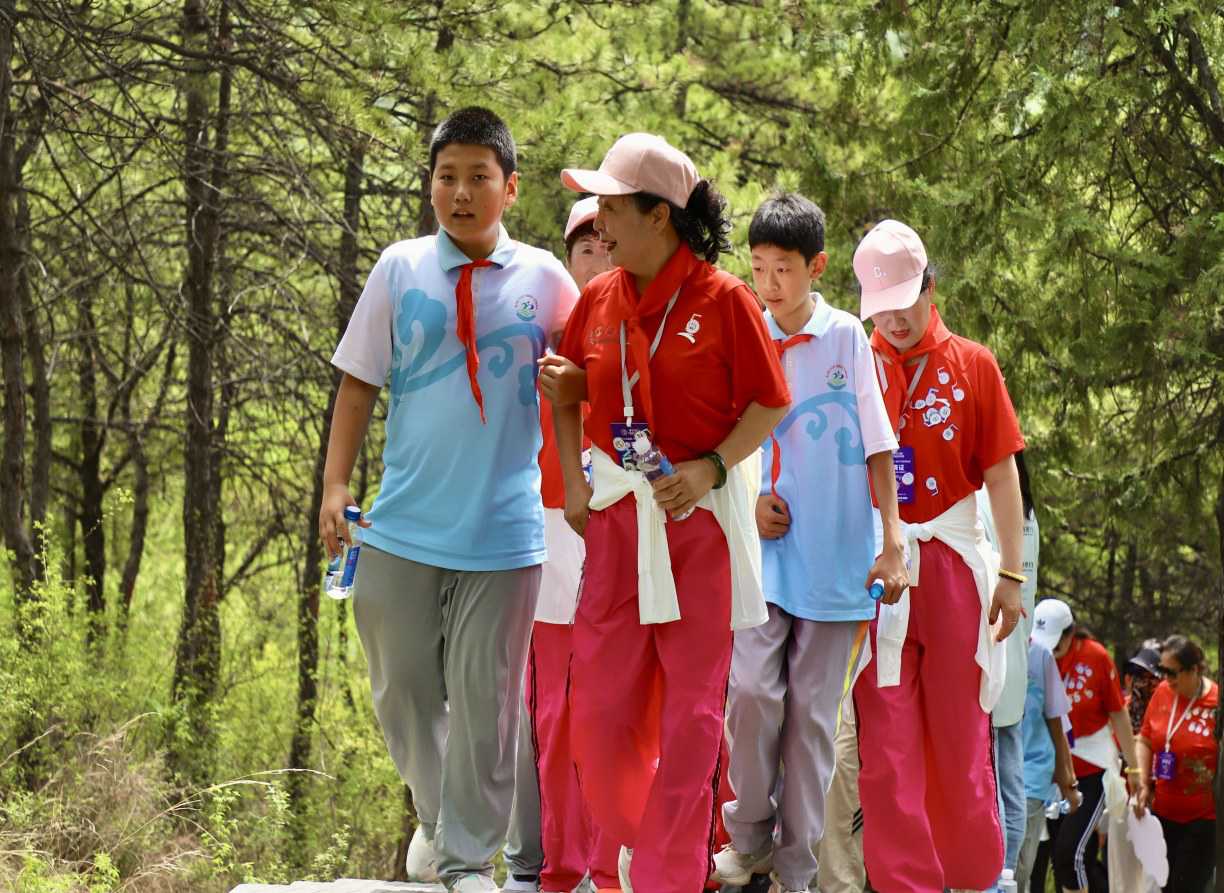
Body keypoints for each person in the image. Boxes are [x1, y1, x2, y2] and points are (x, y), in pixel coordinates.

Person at [319, 107, 579, 893]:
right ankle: (438, 818)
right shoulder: (399, 268)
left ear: (510, 188)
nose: (461, 193)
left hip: (503, 534)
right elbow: (358, 382)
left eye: (478, 177)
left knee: (487, 704)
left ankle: (469, 861)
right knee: (399, 684)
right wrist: (335, 484)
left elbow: (589, 375)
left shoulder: (546, 280)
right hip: (401, 523)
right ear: (431, 184)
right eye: (447, 176)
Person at [546, 132, 791, 893]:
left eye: (612, 206)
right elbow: (566, 390)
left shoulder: (725, 300)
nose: (599, 221)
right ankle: (642, 837)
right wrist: (576, 485)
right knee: (598, 709)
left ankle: (666, 874)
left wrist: (712, 464)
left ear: (660, 215)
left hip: (698, 525)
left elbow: (770, 401)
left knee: (691, 714)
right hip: (619, 521)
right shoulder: (598, 298)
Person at [712, 193, 907, 893]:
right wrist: (749, 499)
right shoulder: (744, 332)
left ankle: (797, 871)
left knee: (811, 724)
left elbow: (879, 444)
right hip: (762, 560)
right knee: (751, 692)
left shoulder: (847, 338)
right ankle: (750, 836)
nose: (769, 284)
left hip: (836, 566)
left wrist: (892, 541)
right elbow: (724, 440)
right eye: (758, 267)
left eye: (784, 269)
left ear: (816, 267)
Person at [850, 218, 1027, 893]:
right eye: (881, 307)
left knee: (959, 732)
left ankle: (972, 875)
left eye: (904, 301)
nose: (894, 320)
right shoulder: (855, 364)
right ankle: (904, 882)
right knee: (886, 739)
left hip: (952, 561)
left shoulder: (973, 363)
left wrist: (1011, 573)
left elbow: (1002, 474)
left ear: (930, 286)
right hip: (880, 565)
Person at [505, 196, 617, 893]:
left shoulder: (641, 333)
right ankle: (560, 864)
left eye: (609, 247)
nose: (598, 262)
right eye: (585, 250)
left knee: (613, 703)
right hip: (549, 528)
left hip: (623, 531)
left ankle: (612, 861)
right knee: (552, 707)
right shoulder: (538, 340)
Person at [1031, 598, 1141, 893]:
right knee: (1058, 857)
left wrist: (1134, 767)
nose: (1051, 650)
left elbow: (1118, 713)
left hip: (1091, 769)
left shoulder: (1095, 656)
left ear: (1071, 633)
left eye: (1057, 643)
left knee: (1069, 855)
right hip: (1048, 769)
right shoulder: (1033, 652)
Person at [978, 450, 1041, 889]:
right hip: (1015, 655)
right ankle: (1006, 875)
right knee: (1010, 777)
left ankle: (995, 875)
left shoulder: (990, 502)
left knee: (992, 779)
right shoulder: (1030, 514)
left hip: (993, 653)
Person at [1135, 635, 1218, 893]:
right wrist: (1143, 782)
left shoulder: (1216, 703)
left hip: (1203, 818)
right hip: (1162, 814)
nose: (1166, 679)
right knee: (1163, 885)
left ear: (1194, 670)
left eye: (1172, 673)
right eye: (1163, 671)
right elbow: (1145, 740)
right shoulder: (1163, 692)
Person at [1015, 635, 1080, 893]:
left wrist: (1067, 780)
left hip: (1031, 776)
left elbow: (1056, 720)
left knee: (1018, 867)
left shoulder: (1040, 654)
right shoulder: (981, 641)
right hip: (987, 775)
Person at [1123, 640, 1163, 734]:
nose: (1143, 683)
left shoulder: (1169, 710)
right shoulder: (1124, 708)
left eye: (1151, 677)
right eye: (1139, 674)